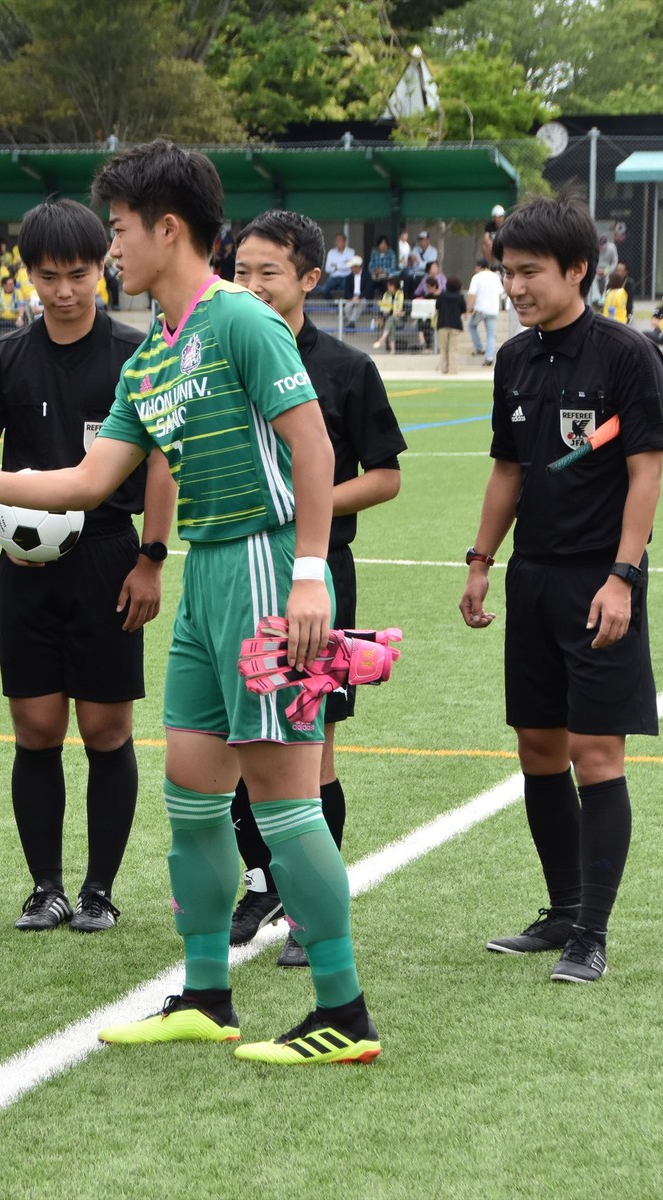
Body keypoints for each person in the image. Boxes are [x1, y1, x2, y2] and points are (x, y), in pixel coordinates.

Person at [0, 139, 382, 1064]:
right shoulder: (156, 354)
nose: (111, 251)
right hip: (205, 581)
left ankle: (342, 1011)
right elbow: (88, 480)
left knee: (284, 798)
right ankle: (207, 990)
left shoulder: (241, 321)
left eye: (118, 232)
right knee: (194, 793)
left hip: (263, 570)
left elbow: (315, 451)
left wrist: (311, 573)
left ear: (168, 229)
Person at [459, 195, 663, 985]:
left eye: (531, 273)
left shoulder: (625, 354)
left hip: (598, 578)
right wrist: (481, 561)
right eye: (508, 272)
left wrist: (623, 577)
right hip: (533, 577)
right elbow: (508, 468)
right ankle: (562, 910)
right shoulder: (513, 358)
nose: (516, 287)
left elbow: (645, 471)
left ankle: (594, 934)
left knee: (594, 752)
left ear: (578, 269)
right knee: (538, 748)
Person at [0, 199, 173, 933]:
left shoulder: (136, 355)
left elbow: (161, 468)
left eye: (77, 275)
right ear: (29, 277)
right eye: (48, 277)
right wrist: (4, 521)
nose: (63, 291)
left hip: (112, 558)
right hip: (26, 568)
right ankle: (45, 887)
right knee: (36, 727)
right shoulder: (3, 358)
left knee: (107, 730)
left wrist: (151, 557)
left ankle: (99, 890)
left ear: (102, 271)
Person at [228, 209, 405, 965]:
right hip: (234, 575)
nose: (251, 286)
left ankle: (308, 912)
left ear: (308, 278)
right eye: (240, 272)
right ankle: (262, 881)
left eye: (268, 272)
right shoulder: (217, 360)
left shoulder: (345, 368)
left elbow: (387, 478)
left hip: (312, 577)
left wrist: (308, 505)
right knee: (239, 743)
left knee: (310, 746)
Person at [466, 256, 505, 365]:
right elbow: (501, 293)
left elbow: (472, 294)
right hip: (493, 310)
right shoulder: (495, 277)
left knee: (472, 326)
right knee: (491, 334)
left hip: (480, 310)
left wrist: (468, 308)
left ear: (478, 266)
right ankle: (489, 357)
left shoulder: (477, 277)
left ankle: (479, 347)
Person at [435, 275, 467, 373]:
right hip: (455, 325)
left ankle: (444, 369)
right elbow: (463, 310)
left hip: (442, 324)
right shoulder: (460, 297)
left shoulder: (441, 296)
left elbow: (437, 308)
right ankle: (453, 370)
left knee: (443, 348)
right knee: (453, 349)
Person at [370, 278, 405, 352]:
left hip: (399, 319)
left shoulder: (401, 293)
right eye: (388, 286)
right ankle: (392, 350)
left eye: (390, 286)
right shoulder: (386, 294)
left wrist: (396, 312)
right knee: (391, 324)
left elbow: (401, 309)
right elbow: (383, 306)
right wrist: (384, 310)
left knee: (391, 319)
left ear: (395, 286)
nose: (389, 288)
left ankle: (382, 338)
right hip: (388, 318)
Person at [319, 232, 355, 299]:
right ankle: (334, 305)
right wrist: (343, 264)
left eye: (339, 240)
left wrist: (336, 266)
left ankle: (344, 307)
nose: (337, 242)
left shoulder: (351, 252)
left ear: (344, 242)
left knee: (349, 290)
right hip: (334, 277)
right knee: (323, 290)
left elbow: (350, 267)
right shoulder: (331, 252)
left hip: (346, 277)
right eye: (336, 240)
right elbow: (327, 269)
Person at [364, 235, 396, 301]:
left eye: (385, 244)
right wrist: (375, 270)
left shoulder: (391, 253)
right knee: (369, 284)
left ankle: (385, 304)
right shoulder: (374, 253)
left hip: (386, 277)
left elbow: (393, 268)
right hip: (376, 277)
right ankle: (369, 304)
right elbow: (370, 266)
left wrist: (383, 270)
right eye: (381, 244)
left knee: (386, 284)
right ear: (378, 245)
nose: (383, 246)